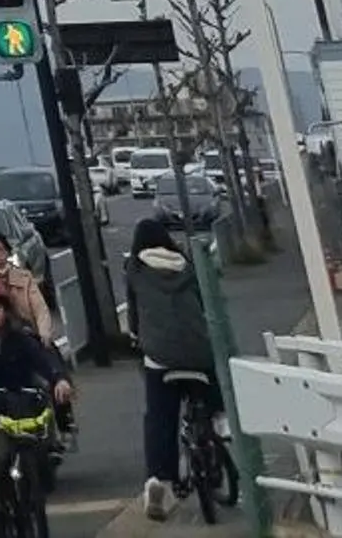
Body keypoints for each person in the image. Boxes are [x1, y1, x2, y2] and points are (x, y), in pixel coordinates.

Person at [126, 214, 215, 519]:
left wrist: (136, 336)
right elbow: (203, 302)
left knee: (159, 418)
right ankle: (220, 421)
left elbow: (134, 316)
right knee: (211, 373)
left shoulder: (136, 269)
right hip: (197, 349)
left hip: (160, 355)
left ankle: (157, 478)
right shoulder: (186, 264)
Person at [0, 273, 74, 409]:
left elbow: (42, 359)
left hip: (26, 395)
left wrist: (60, 379)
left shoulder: (20, 335)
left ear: (6, 310)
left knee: (56, 401)